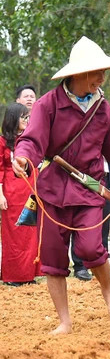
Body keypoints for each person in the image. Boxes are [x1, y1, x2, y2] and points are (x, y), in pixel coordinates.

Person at [12, 36, 110, 334]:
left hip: (89, 188)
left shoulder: (104, 109)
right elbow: (31, 141)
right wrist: (22, 157)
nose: (102, 77)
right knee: (53, 257)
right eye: (97, 71)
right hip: (53, 189)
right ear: (79, 74)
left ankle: (108, 289)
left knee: (90, 247)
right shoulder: (47, 105)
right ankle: (65, 321)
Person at [1, 103, 41, 286]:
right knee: (14, 233)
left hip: (31, 190)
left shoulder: (30, 140)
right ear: (12, 119)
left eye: (28, 117)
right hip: (12, 192)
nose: (26, 120)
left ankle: (28, 274)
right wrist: (0, 194)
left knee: (30, 231)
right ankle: (14, 276)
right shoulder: (2, 142)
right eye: (23, 117)